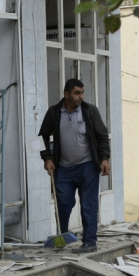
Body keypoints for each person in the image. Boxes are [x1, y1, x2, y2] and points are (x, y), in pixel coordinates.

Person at [39, 78, 110, 253]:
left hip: (87, 167)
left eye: (82, 92)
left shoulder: (89, 111)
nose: (81, 96)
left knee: (88, 204)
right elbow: (42, 136)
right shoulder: (54, 112)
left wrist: (105, 158)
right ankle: (62, 236)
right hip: (63, 168)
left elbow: (102, 135)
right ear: (66, 94)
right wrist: (47, 158)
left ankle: (89, 242)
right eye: (77, 93)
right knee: (62, 202)